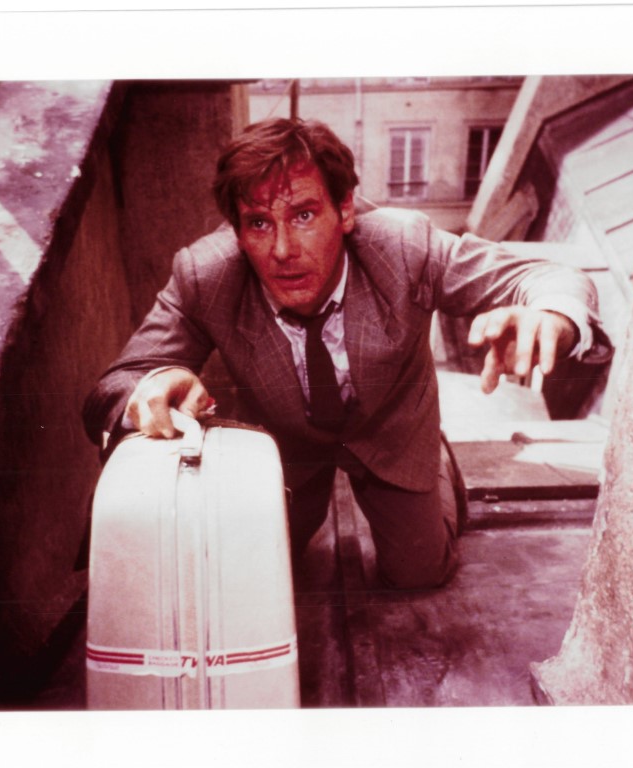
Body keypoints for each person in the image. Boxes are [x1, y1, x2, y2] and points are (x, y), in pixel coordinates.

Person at [83, 117, 603, 590]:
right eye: (259, 223)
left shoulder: (404, 246)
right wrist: (149, 387)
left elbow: (544, 276)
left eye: (304, 215)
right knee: (260, 571)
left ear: (345, 210)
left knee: (419, 574)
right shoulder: (205, 275)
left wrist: (551, 315)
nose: (283, 250)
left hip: (391, 428)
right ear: (238, 232)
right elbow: (116, 383)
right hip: (287, 444)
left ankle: (438, 462)